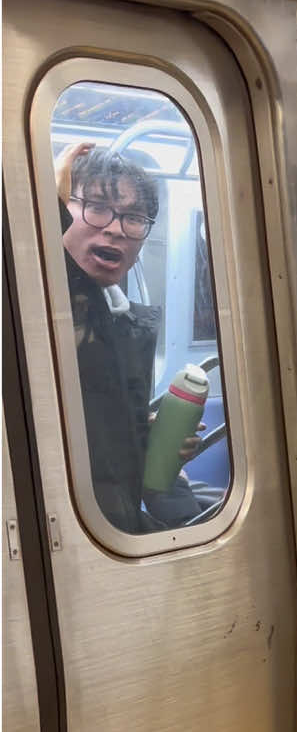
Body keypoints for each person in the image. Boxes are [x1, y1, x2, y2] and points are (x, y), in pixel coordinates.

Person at [56, 142, 203, 533]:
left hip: (111, 529)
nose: (116, 228)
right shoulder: (37, 309)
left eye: (134, 218)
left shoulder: (128, 325)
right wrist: (40, 206)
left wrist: (149, 444)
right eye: (98, 206)